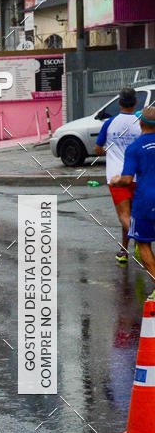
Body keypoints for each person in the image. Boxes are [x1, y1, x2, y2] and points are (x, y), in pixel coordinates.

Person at [111, 105, 155, 299]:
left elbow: (127, 179)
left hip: (145, 201)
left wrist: (115, 180)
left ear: (141, 123)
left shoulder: (135, 148)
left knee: (143, 244)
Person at [96, 88, 142, 264]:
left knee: (124, 216)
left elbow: (98, 148)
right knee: (131, 216)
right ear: (135, 102)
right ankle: (124, 251)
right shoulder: (141, 123)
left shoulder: (109, 123)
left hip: (116, 177)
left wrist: (109, 151)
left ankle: (140, 241)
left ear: (120, 102)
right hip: (137, 176)